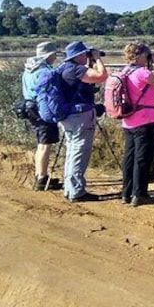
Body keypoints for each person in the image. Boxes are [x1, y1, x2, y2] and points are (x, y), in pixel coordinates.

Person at [119, 42, 154, 207]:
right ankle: (139, 194)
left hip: (128, 120)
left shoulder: (125, 70)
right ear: (141, 56)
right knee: (142, 158)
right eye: (147, 55)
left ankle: (126, 193)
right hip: (145, 120)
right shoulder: (142, 72)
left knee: (130, 157)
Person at [57, 40, 108, 202]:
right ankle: (77, 191)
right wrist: (98, 59)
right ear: (79, 55)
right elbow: (102, 76)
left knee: (72, 151)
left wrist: (92, 60)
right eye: (85, 54)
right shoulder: (77, 70)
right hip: (80, 116)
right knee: (80, 151)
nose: (87, 57)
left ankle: (69, 188)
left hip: (69, 116)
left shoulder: (63, 69)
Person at [21, 41, 62, 191]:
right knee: (45, 145)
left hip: (30, 108)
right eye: (55, 55)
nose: (55, 58)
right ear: (49, 55)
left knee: (40, 143)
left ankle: (40, 175)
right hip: (42, 109)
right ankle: (42, 179)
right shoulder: (44, 70)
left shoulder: (28, 69)